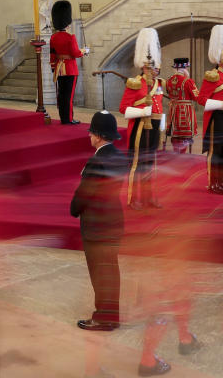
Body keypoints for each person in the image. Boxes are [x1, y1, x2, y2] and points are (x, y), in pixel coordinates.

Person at [70, 110, 124, 332]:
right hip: (113, 220)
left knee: (100, 272)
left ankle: (103, 318)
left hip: (96, 226)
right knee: (111, 271)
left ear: (100, 135)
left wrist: (74, 209)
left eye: (91, 132)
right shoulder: (120, 156)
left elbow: (83, 195)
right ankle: (111, 314)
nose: (89, 136)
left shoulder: (96, 162)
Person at [119, 27, 164, 209]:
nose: (154, 69)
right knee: (137, 164)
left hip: (154, 127)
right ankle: (134, 198)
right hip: (139, 127)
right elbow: (123, 109)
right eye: (151, 66)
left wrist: (162, 126)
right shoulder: (135, 83)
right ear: (144, 66)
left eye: (155, 66)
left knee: (151, 164)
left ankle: (149, 196)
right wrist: (142, 112)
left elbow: (160, 106)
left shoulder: (159, 84)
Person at [195, 25, 223, 195]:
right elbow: (201, 99)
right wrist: (221, 105)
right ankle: (213, 183)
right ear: (220, 59)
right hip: (217, 118)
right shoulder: (213, 76)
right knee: (216, 151)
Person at [49, 0, 89, 125]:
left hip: (59, 69)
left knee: (61, 95)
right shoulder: (70, 37)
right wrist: (84, 51)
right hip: (70, 69)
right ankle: (69, 119)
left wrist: (53, 68)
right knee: (69, 96)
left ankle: (63, 118)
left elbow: (52, 54)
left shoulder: (53, 37)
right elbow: (75, 53)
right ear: (67, 22)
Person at [165, 57, 199, 153]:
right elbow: (197, 97)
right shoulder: (187, 81)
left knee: (175, 134)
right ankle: (182, 156)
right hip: (185, 111)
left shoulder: (168, 81)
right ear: (185, 68)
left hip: (173, 110)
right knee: (184, 136)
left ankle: (176, 152)